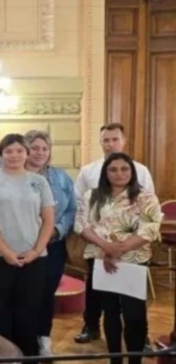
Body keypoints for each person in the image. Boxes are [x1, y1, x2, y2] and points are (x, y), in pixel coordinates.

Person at [75, 152, 161, 364]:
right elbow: (81, 225)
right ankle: (115, 359)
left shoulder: (145, 197)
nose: (119, 173)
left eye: (124, 169)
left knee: (134, 315)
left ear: (132, 171)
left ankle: (134, 360)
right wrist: (106, 246)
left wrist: (119, 249)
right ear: (105, 172)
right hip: (101, 261)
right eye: (113, 169)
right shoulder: (92, 196)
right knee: (110, 312)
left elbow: (150, 228)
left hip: (134, 261)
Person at [0, 134, 55, 360]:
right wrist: (6, 253)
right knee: (0, 309)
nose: (14, 155)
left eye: (19, 151)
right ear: (1, 154)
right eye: (9, 151)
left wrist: (36, 251)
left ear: (26, 154)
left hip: (34, 257)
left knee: (29, 310)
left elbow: (49, 219)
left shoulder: (39, 181)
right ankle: (2, 357)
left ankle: (28, 356)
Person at [24, 130, 78, 356]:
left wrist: (57, 230)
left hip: (53, 245)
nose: (40, 153)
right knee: (23, 294)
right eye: (35, 148)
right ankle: (23, 340)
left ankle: (43, 337)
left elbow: (72, 209)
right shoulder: (14, 174)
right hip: (22, 244)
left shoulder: (61, 177)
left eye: (45, 149)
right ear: (26, 149)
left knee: (46, 293)